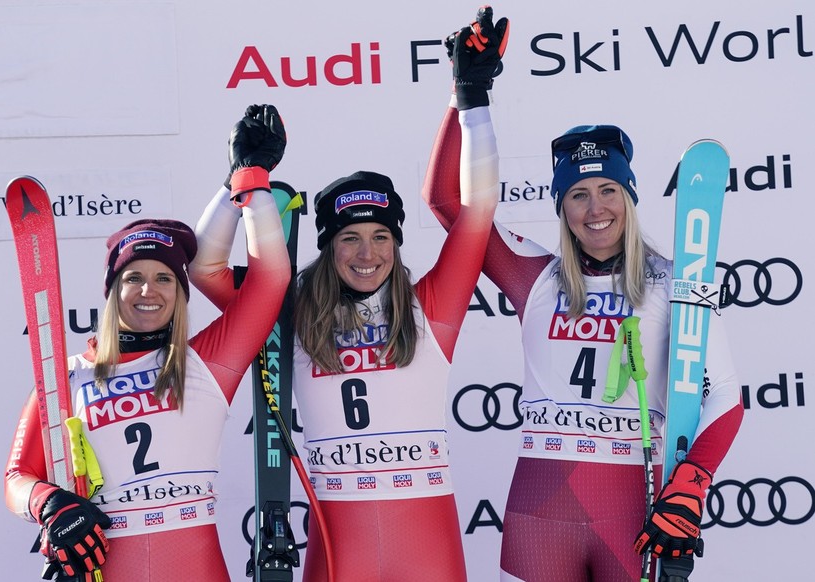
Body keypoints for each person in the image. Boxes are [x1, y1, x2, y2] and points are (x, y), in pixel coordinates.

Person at [189, 9, 508, 581]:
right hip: (340, 554)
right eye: (350, 239)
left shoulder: (429, 308)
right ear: (329, 248)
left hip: (427, 552)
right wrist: (241, 177)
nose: (367, 254)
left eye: (381, 237)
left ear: (397, 243)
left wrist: (473, 97)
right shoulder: (293, 313)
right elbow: (205, 268)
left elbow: (477, 209)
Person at [424, 118, 744, 579]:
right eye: (578, 194)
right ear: (562, 207)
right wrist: (468, 96)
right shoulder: (533, 277)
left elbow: (726, 396)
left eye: (608, 189)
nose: (596, 208)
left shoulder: (677, 281)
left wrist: (693, 481)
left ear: (629, 197)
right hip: (540, 514)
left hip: (636, 507)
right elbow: (447, 203)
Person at [3, 104, 291, 581]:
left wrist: (247, 180)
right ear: (112, 291)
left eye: (164, 279)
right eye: (132, 277)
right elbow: (16, 479)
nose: (147, 290)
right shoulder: (65, 377)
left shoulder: (205, 363)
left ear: (181, 293)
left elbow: (271, 280)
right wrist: (49, 504)